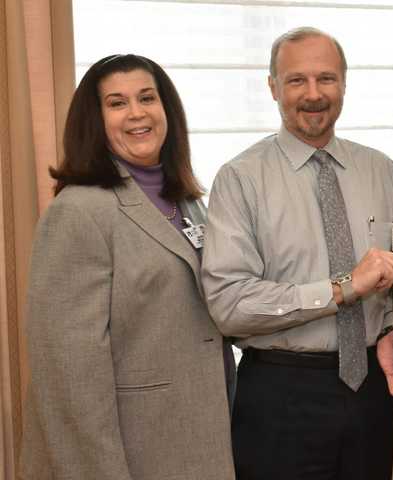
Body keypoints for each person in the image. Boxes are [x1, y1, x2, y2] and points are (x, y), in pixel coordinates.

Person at [202, 26, 393, 480]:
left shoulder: (380, 170)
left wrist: (391, 329)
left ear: (344, 83)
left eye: (326, 79)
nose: (313, 94)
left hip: (370, 388)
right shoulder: (240, 179)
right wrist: (343, 289)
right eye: (296, 80)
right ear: (273, 87)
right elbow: (230, 305)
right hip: (281, 394)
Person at [19, 54, 235, 479]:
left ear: (166, 110)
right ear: (95, 121)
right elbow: (67, 376)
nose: (137, 113)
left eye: (147, 98)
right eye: (117, 103)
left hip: (200, 438)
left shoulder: (189, 202)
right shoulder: (78, 211)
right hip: (130, 453)